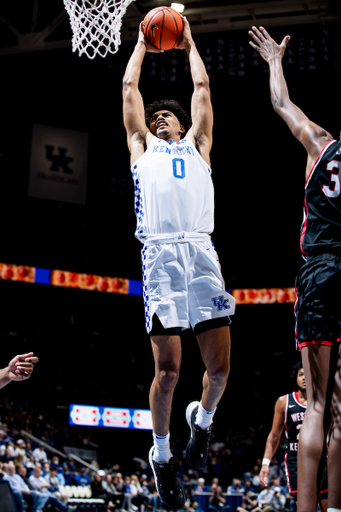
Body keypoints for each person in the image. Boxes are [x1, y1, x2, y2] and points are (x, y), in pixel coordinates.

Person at [122, 16, 235, 511]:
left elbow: (203, 86)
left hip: (202, 253)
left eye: (166, 116)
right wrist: (145, 46)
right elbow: (128, 85)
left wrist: (188, 43)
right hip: (162, 258)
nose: (158, 119)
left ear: (183, 125)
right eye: (153, 118)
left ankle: (202, 423)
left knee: (220, 369)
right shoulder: (140, 150)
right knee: (168, 371)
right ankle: (162, 456)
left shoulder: (198, 146)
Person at [249, 25, 341, 512]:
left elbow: (281, 104)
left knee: (319, 408)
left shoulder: (322, 143)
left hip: (321, 269)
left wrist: (274, 62)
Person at [258, 361, 327, 510]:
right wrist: (265, 463)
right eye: (300, 374)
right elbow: (275, 435)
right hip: (297, 459)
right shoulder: (284, 401)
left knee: (327, 507)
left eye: (306, 374)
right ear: (295, 378)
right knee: (304, 508)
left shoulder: (323, 400)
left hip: (322, 457)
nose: (303, 378)